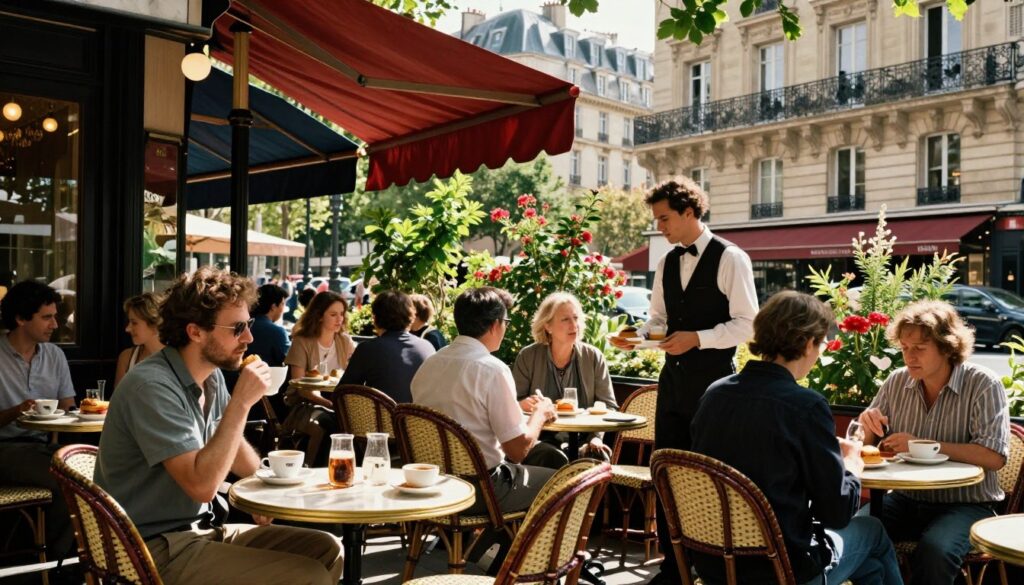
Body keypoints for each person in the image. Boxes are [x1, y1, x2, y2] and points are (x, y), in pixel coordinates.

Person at [95, 267, 342, 585]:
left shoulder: (210, 377)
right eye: (237, 328)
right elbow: (201, 486)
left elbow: (233, 446)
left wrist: (263, 485)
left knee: (326, 549)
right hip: (151, 548)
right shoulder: (152, 385)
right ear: (195, 331)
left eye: (248, 325)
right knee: (308, 575)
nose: (249, 338)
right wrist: (242, 403)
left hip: (203, 530)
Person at [690, 291, 902, 585]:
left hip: (712, 563)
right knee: (873, 532)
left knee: (871, 567)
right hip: (780, 571)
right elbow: (837, 513)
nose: (819, 354)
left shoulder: (715, 394)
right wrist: (852, 463)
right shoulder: (805, 406)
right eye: (821, 344)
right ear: (806, 343)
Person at [609, 176, 758, 585]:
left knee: (708, 479)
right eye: (656, 219)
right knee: (668, 474)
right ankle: (674, 567)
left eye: (664, 218)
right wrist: (634, 340)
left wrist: (699, 338)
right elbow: (657, 321)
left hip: (716, 388)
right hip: (672, 385)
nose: (659, 227)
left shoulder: (731, 258)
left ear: (689, 212)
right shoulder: (667, 262)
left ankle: (711, 568)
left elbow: (748, 326)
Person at [857, 300, 1009, 585]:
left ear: (947, 347)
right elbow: (867, 444)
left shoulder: (983, 384)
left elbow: (994, 457)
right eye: (904, 348)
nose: (909, 357)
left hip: (968, 504)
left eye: (919, 349)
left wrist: (924, 444)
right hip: (905, 498)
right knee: (857, 532)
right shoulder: (896, 382)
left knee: (936, 551)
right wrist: (867, 425)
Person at [411, 287, 558, 515]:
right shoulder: (492, 369)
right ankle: (520, 550)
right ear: (495, 324)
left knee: (545, 456)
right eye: (506, 321)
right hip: (480, 490)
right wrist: (541, 412)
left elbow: (464, 414)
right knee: (568, 479)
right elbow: (518, 450)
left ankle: (496, 547)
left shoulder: (429, 365)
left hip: (432, 484)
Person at [0, 280, 76, 554]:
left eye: (55, 316)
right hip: (6, 450)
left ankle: (66, 560)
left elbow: (69, 408)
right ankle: (56, 563)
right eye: (47, 317)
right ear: (21, 318)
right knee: (68, 481)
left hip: (45, 447)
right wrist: (16, 411)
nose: (55, 325)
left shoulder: (55, 355)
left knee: (96, 473)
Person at [513, 292, 618, 462]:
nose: (574, 325)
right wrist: (522, 404)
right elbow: (511, 405)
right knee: (553, 457)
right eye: (565, 320)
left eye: (576, 318)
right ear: (548, 326)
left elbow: (609, 405)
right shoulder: (528, 356)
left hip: (584, 440)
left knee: (597, 457)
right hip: (541, 439)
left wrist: (595, 437)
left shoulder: (593, 357)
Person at [338, 290, 434, 403]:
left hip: (377, 419)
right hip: (417, 419)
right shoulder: (427, 347)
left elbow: (342, 394)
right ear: (411, 316)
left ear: (375, 318)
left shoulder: (368, 349)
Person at [284, 290, 356, 408]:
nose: (340, 319)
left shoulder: (345, 341)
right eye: (333, 315)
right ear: (319, 316)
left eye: (342, 314)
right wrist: (329, 404)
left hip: (337, 400)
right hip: (306, 403)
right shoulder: (301, 341)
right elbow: (300, 387)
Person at [115, 292, 165, 386]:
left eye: (134, 323)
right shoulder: (126, 358)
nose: (127, 329)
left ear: (155, 325)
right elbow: (119, 400)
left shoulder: (179, 358)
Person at [247, 284, 290, 367]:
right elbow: (289, 361)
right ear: (273, 306)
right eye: (282, 304)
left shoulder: (243, 325)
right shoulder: (277, 332)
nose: (283, 308)